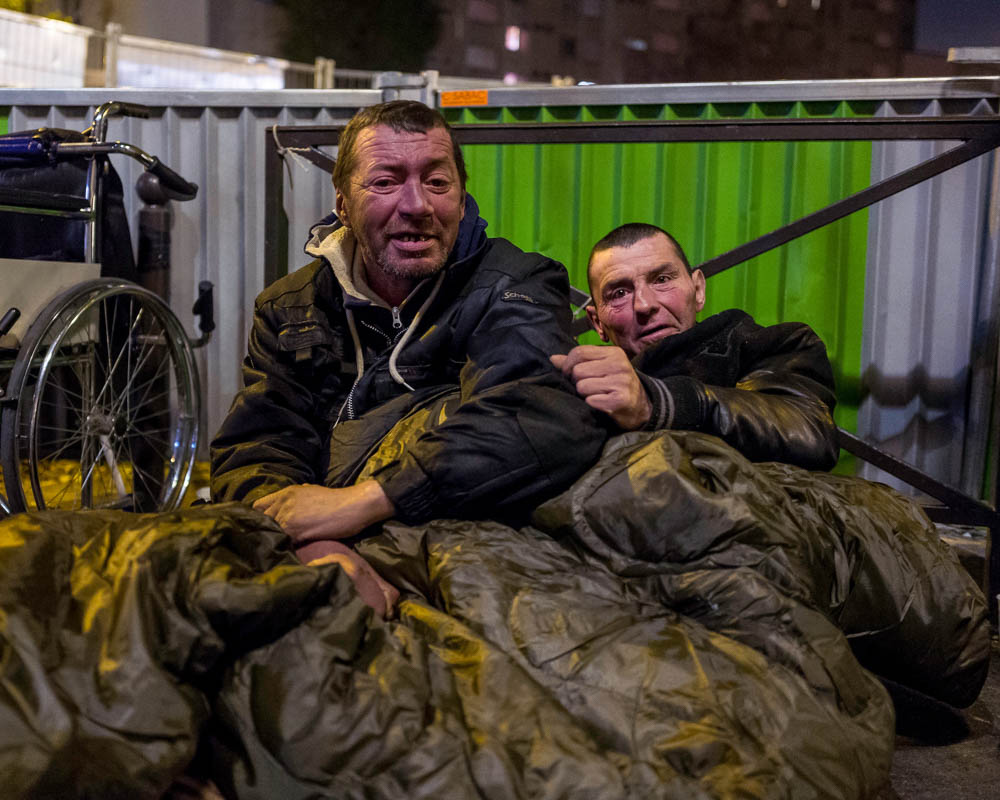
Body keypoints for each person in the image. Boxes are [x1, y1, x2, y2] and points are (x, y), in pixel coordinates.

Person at [210, 100, 603, 611]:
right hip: (322, 548)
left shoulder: (515, 285)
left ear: (461, 199)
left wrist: (367, 501)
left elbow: (531, 419)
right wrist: (319, 547)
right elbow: (257, 448)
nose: (416, 204)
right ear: (344, 205)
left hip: (474, 545)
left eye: (437, 183)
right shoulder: (290, 308)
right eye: (385, 182)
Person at [551, 222, 839, 470]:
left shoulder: (773, 346)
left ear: (698, 290)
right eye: (620, 293)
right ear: (597, 322)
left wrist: (660, 403)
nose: (645, 304)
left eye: (662, 279)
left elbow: (809, 433)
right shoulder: (580, 384)